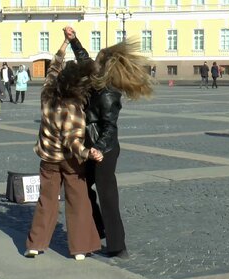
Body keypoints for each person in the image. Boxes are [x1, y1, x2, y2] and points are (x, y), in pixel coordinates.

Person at [68, 26, 153, 258]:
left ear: (104, 65)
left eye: (98, 58)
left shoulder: (108, 93)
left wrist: (98, 149)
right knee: (80, 188)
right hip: (89, 146)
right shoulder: (94, 81)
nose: (94, 59)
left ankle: (118, 245)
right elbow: (84, 59)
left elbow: (109, 127)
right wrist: (75, 41)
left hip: (104, 149)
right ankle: (99, 227)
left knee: (107, 196)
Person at [25, 29, 102, 261]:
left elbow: (53, 69)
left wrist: (64, 44)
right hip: (69, 160)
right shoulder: (73, 105)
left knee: (46, 201)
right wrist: (90, 153)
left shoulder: (47, 93)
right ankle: (79, 248)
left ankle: (35, 244)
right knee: (77, 201)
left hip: (47, 158)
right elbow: (72, 140)